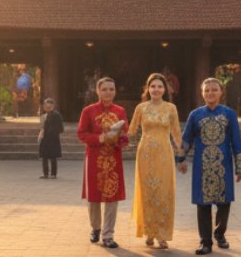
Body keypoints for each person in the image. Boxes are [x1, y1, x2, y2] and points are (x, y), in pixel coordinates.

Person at [178, 77, 241, 255]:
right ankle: (205, 241)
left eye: (214, 89)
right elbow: (186, 140)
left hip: (224, 165)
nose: (210, 93)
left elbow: (236, 141)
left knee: (224, 203)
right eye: (207, 90)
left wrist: (240, 167)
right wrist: (180, 159)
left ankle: (220, 234)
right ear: (202, 93)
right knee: (203, 204)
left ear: (221, 92)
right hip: (202, 166)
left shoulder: (229, 114)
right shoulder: (195, 115)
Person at [128, 72, 184, 249]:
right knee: (147, 192)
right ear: (148, 88)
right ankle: (149, 232)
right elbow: (131, 132)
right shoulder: (141, 108)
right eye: (153, 86)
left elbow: (176, 133)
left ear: (165, 89)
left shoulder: (171, 108)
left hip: (164, 154)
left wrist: (181, 155)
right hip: (144, 154)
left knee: (163, 191)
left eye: (160, 86)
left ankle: (162, 234)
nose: (156, 89)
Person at [77, 77, 129, 249]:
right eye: (105, 89)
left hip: (113, 159)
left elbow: (125, 135)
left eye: (111, 89)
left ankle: (108, 234)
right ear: (98, 91)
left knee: (112, 197)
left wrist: (119, 139)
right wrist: (100, 138)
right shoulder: (88, 111)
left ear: (115, 91)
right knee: (94, 197)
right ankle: (95, 228)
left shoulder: (120, 111)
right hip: (94, 158)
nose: (108, 92)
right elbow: (81, 133)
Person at [38, 97, 63, 179]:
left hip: (53, 140)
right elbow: (43, 127)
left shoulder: (56, 115)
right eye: (45, 105)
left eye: (49, 105)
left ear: (53, 106)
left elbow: (60, 128)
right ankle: (45, 173)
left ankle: (53, 174)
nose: (47, 107)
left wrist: (50, 133)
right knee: (44, 157)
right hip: (45, 139)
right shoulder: (45, 116)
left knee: (53, 157)